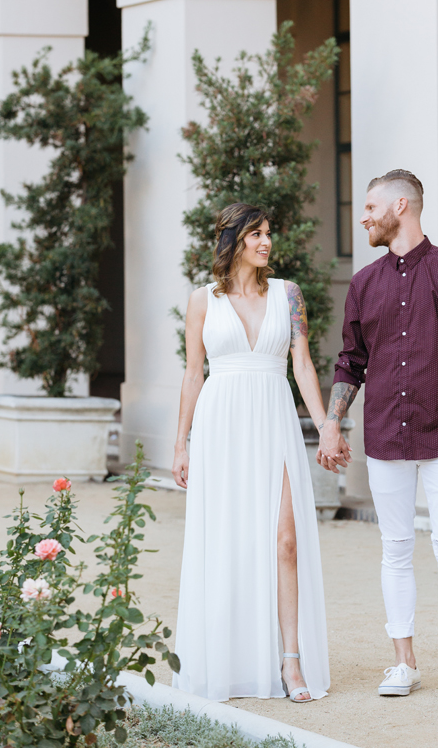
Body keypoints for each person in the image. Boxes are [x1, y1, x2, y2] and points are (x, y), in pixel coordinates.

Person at [318, 169, 438, 705]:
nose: (364, 216)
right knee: (394, 550)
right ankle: (403, 663)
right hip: (386, 435)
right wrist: (332, 422)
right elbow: (351, 361)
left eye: (370, 207)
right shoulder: (364, 285)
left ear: (401, 206)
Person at [171, 203, 330, 703]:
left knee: (285, 539)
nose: (267, 242)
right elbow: (193, 372)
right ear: (233, 240)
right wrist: (181, 443)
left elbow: (302, 365)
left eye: (269, 233)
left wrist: (326, 426)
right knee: (226, 541)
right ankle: (225, 659)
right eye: (257, 234)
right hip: (220, 424)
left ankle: (291, 661)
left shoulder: (288, 295)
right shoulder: (202, 300)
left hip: (274, 418)